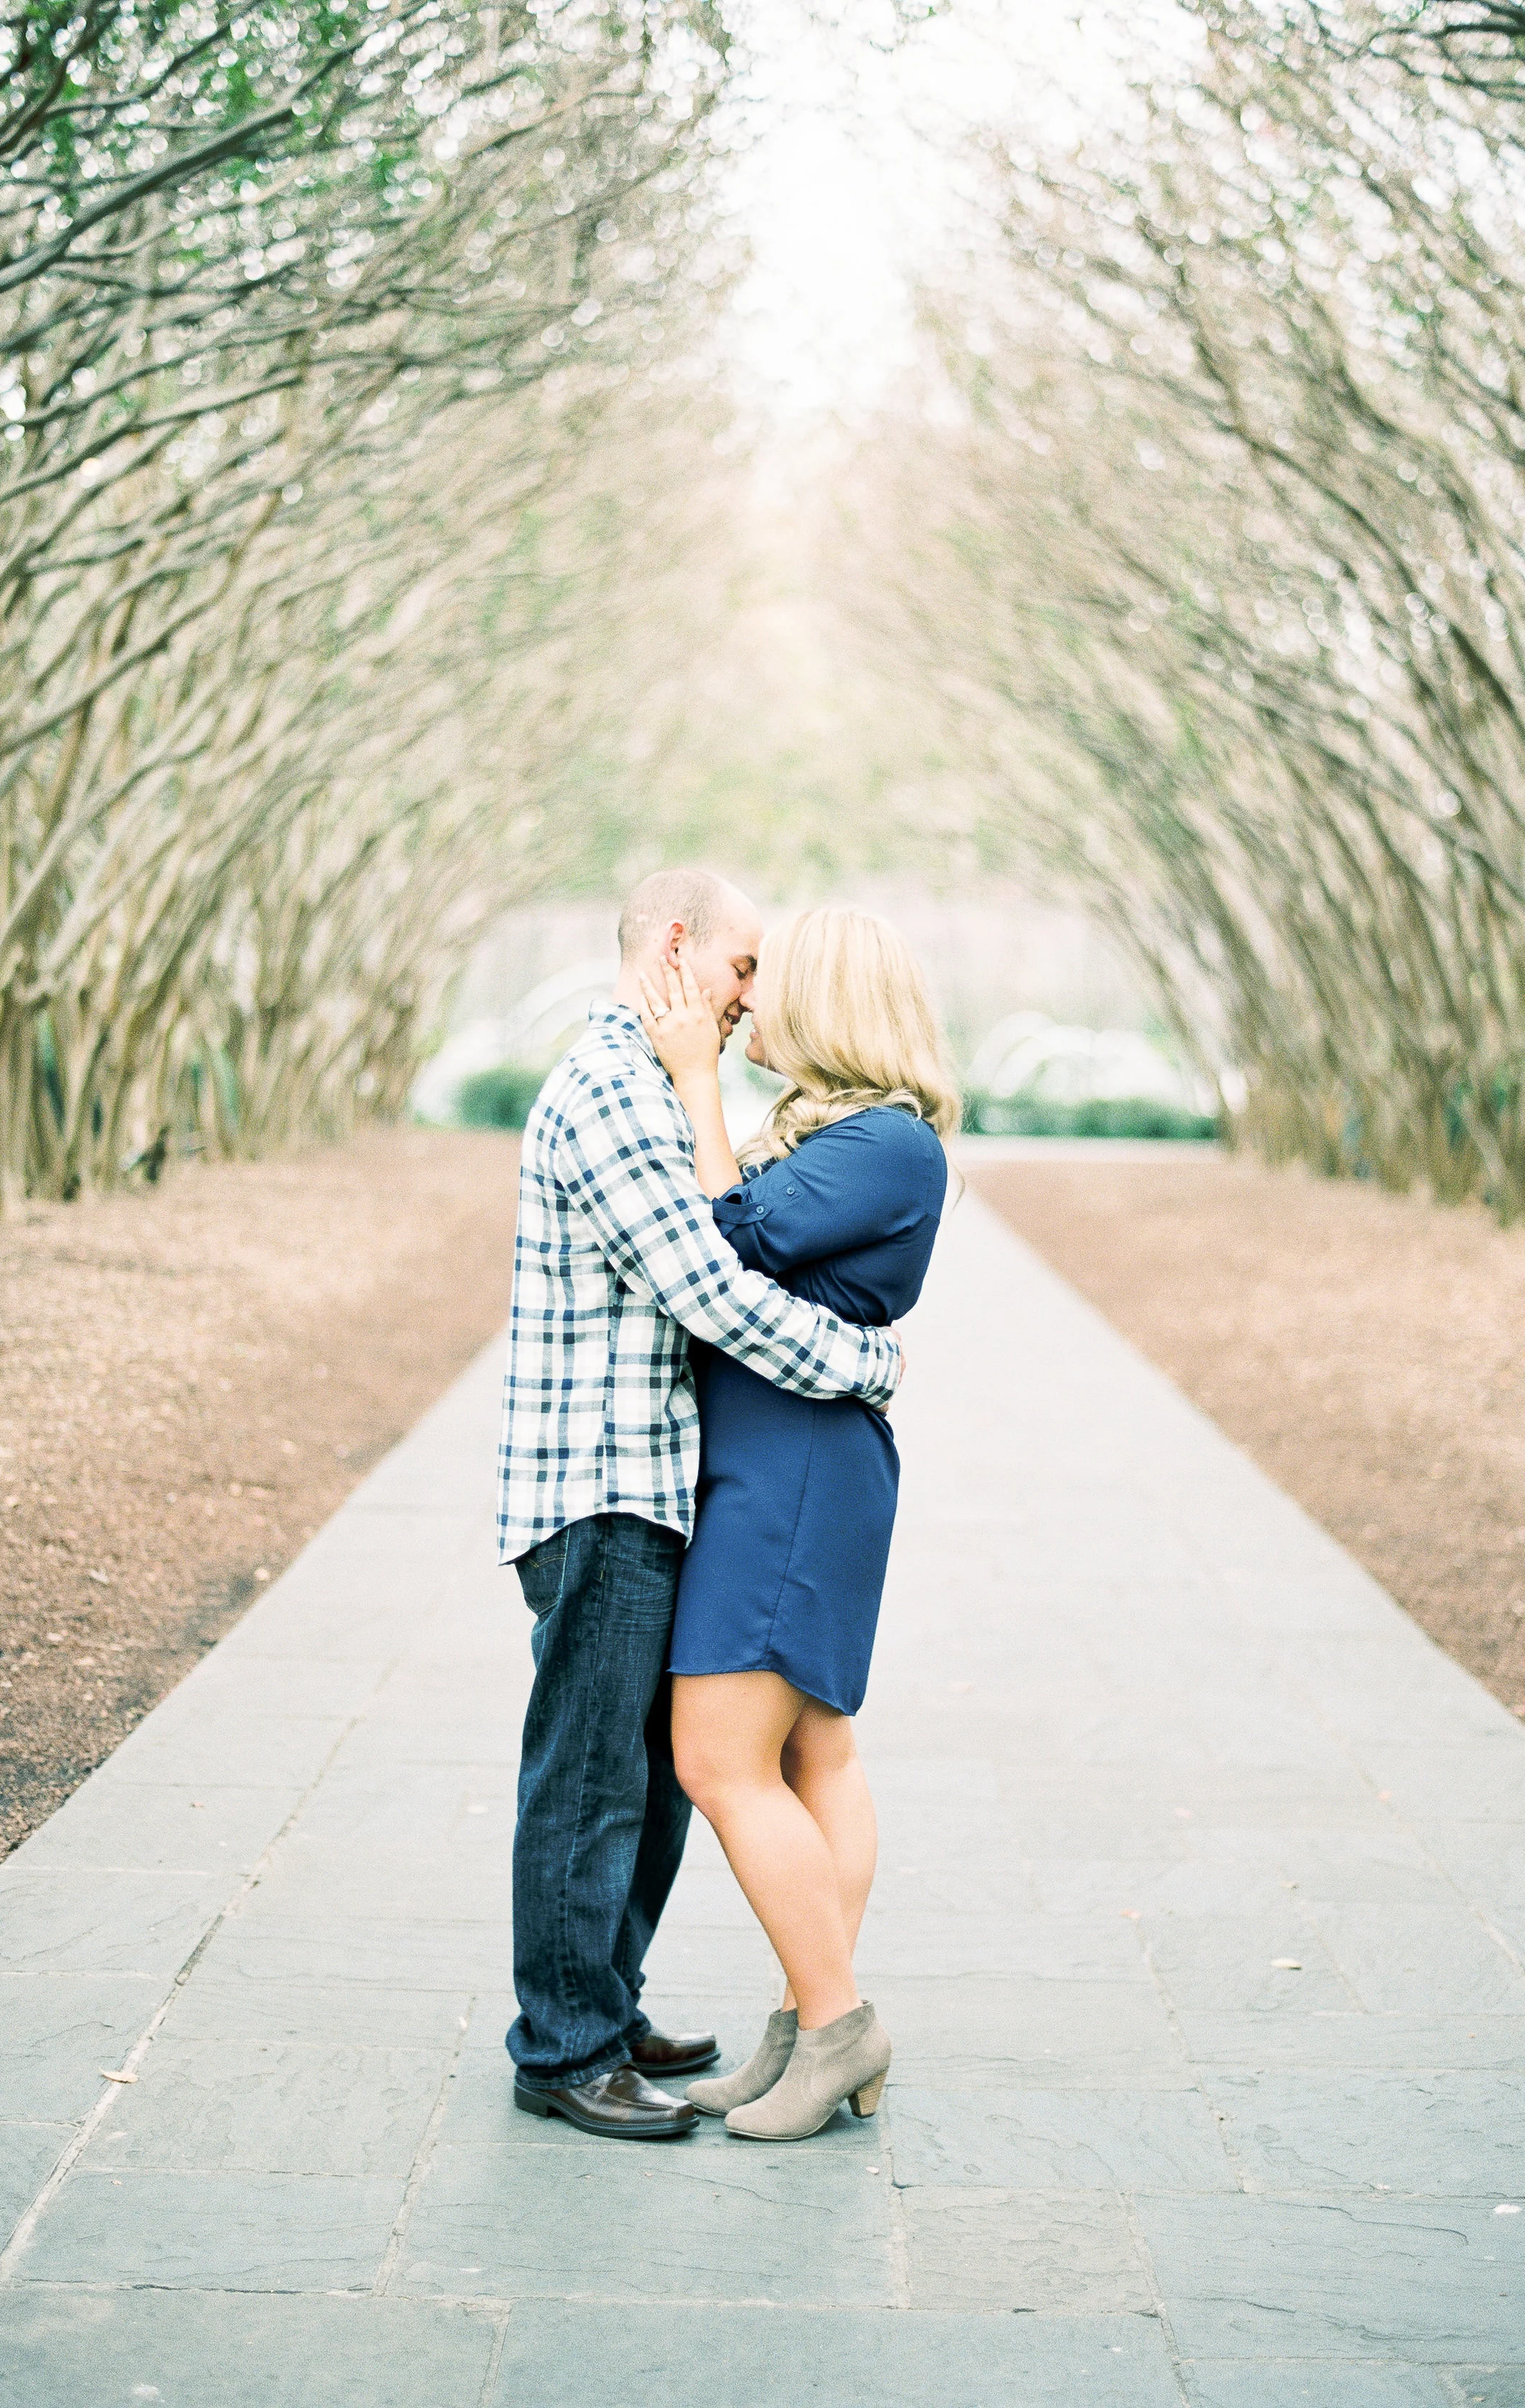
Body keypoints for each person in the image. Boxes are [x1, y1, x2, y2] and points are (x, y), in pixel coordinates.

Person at [496, 869, 905, 2141]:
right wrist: (865, 1364)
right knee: (591, 1779)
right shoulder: (616, 1085)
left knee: (648, 1777)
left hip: (651, 1482)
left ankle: (602, 2007)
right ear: (675, 947)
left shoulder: (649, 1080)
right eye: (740, 969)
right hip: (603, 1487)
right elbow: (706, 1288)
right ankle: (565, 2047)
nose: (748, 999)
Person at [636, 905, 956, 2141]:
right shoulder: (845, 1133)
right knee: (815, 1755)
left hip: (796, 1473)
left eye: (770, 980)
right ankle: (800, 2027)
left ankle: (838, 2024)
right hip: (779, 1459)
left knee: (718, 1757)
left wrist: (698, 1083)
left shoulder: (890, 1144)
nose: (745, 997)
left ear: (830, 999)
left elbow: (734, 1244)